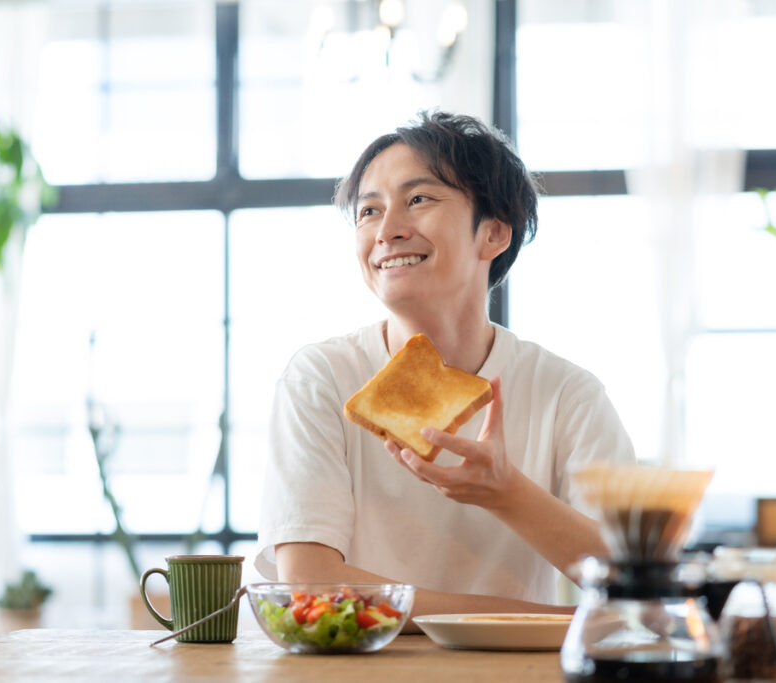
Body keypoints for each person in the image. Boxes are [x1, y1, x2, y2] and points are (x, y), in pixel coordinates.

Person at [254, 111, 635, 622]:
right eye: (368, 211)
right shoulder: (321, 377)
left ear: (494, 234)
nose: (386, 231)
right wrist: (522, 619)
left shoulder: (567, 394)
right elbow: (309, 578)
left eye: (419, 199)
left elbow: (634, 578)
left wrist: (509, 493)